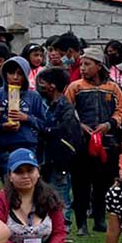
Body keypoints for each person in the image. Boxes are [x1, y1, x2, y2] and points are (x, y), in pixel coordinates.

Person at [65, 47, 122, 236]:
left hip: (107, 144)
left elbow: (121, 111)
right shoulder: (75, 87)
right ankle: (82, 223)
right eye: (81, 64)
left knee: (103, 184)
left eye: (87, 64)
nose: (82, 68)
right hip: (82, 144)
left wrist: (109, 124)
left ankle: (100, 220)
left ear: (99, 66)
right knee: (81, 184)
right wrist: (80, 125)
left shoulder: (113, 88)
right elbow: (68, 111)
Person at [35, 66, 83, 225]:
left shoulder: (65, 107)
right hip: (45, 157)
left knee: (60, 193)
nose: (39, 86)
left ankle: (63, 225)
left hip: (60, 159)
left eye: (43, 83)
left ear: (52, 86)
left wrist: (42, 128)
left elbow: (63, 132)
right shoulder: (45, 104)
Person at [0, 55, 46, 171]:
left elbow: (43, 124)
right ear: (5, 74)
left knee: (26, 180)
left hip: (27, 145)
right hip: (4, 147)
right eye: (11, 73)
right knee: (8, 179)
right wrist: (3, 126)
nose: (15, 77)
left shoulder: (33, 96)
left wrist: (27, 118)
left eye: (20, 74)